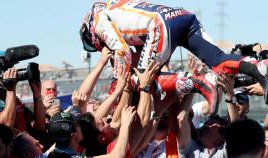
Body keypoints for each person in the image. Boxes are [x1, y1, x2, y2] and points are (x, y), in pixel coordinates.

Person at [80, 0, 268, 104]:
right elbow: (138, 50)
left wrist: (117, 82)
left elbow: (122, 51)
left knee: (143, 79)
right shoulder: (117, 6)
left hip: (160, 24)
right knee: (217, 60)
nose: (99, 48)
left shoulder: (98, 22)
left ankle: (200, 83)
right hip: (181, 16)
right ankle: (258, 67)